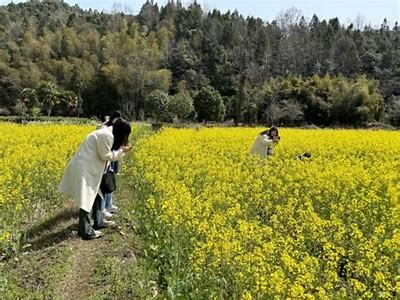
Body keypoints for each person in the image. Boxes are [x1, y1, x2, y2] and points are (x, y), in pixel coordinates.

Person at [58, 118, 132, 240]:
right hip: (85, 168)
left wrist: (120, 151)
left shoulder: (108, 133)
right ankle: (85, 231)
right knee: (86, 198)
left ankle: (98, 222)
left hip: (90, 167)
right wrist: (121, 151)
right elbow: (106, 156)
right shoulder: (106, 136)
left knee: (98, 195)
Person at [97, 111, 122, 218]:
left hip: (112, 156)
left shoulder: (114, 128)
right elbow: (98, 128)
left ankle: (109, 205)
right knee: (105, 184)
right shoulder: (105, 128)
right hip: (107, 157)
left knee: (110, 181)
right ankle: (103, 209)